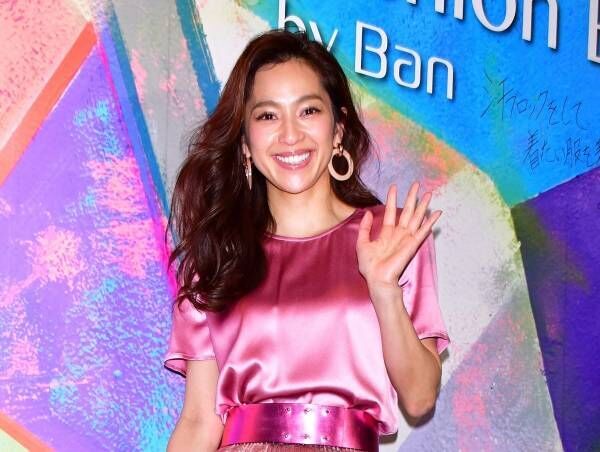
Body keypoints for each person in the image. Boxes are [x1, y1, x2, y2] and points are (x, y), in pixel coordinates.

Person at [163, 29, 450, 452]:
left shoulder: (391, 236)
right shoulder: (217, 255)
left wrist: (384, 289)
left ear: (339, 128)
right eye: (267, 116)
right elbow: (199, 421)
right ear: (245, 142)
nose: (290, 135)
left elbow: (420, 397)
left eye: (309, 110)